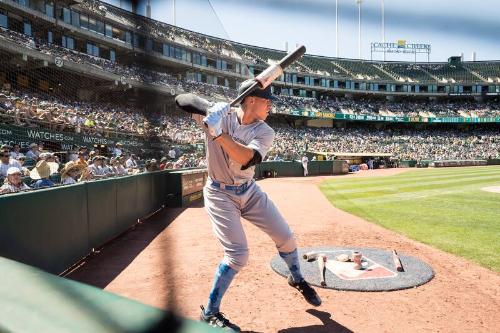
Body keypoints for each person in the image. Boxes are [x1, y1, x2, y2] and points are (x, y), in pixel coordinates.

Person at [195, 80, 321, 332]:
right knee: (238, 255)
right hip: (219, 194)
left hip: (249, 190)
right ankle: (210, 312)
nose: (270, 106)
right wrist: (209, 108)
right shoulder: (223, 114)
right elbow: (182, 99)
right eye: (267, 101)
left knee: (286, 237)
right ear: (251, 100)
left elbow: (246, 158)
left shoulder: (265, 131)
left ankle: (296, 278)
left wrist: (217, 133)